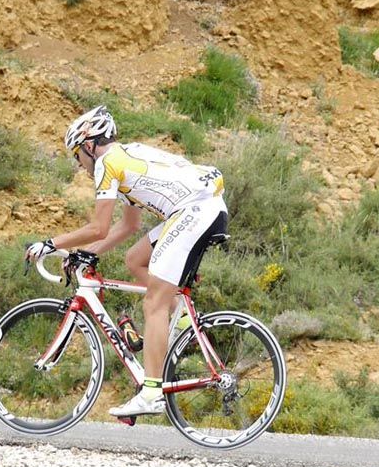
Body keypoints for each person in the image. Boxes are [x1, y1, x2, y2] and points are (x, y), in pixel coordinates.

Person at [25, 106, 228, 417]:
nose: (78, 164)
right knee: (135, 259)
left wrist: (50, 244)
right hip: (202, 207)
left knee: (153, 304)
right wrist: (87, 253)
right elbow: (128, 226)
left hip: (195, 211)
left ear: (89, 145)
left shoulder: (107, 164)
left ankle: (151, 394)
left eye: (77, 155)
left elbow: (98, 227)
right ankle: (183, 321)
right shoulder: (122, 157)